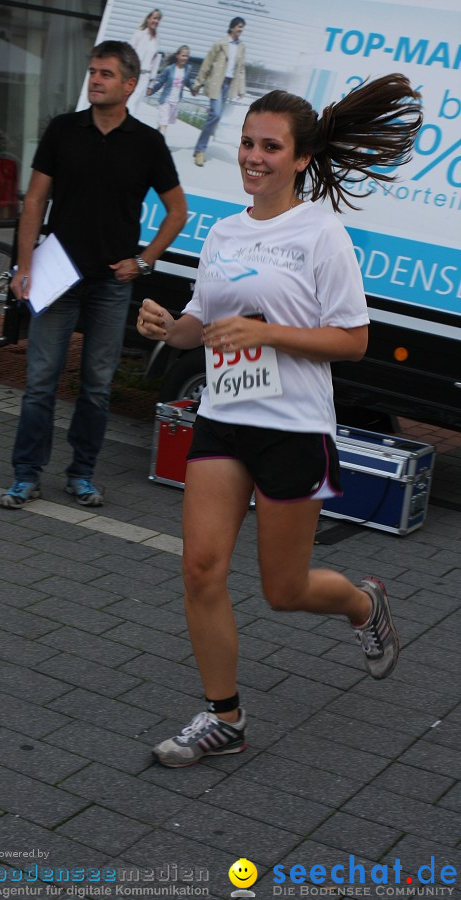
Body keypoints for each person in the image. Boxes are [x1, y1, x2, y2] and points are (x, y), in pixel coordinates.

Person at [137, 74, 422, 767]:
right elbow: (205, 321)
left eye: (269, 146)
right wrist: (170, 328)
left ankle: (362, 605)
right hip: (224, 417)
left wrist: (267, 335)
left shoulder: (321, 232)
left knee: (283, 590)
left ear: (299, 158)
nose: (252, 156)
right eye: (246, 143)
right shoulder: (223, 230)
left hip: (293, 426)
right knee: (201, 567)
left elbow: (352, 340)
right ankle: (224, 717)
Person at [0, 40, 187, 510]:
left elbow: (177, 212)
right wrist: (24, 265)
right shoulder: (64, 130)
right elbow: (35, 200)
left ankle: (81, 474)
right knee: (41, 379)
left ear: (129, 84)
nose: (95, 80)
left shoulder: (147, 142)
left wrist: (144, 260)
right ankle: (26, 475)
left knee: (97, 385)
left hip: (111, 283)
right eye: (92, 72)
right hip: (58, 276)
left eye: (105, 74)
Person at [191, 17, 246, 167]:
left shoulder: (241, 47)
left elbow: (240, 69)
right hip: (216, 84)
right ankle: (200, 150)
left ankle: (199, 148)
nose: (241, 30)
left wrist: (241, 89)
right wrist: (197, 84)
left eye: (242, 27)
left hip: (229, 85)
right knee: (215, 114)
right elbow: (207, 64)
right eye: (240, 27)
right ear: (233, 27)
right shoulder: (220, 43)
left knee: (216, 117)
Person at [147, 45, 194, 136]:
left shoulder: (187, 69)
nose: (185, 58)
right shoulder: (169, 69)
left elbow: (187, 81)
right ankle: (160, 146)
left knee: (164, 123)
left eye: (187, 56)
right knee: (163, 123)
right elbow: (160, 82)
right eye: (183, 55)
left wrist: (193, 89)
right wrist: (151, 90)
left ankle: (154, 138)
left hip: (175, 101)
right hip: (166, 100)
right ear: (177, 56)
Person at [127, 9, 163, 118]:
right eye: (154, 18)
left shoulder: (157, 40)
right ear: (148, 19)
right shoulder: (139, 34)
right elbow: (129, 52)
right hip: (133, 73)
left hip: (145, 77)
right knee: (130, 102)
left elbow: (155, 62)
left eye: (158, 19)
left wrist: (151, 83)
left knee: (136, 104)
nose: (156, 21)